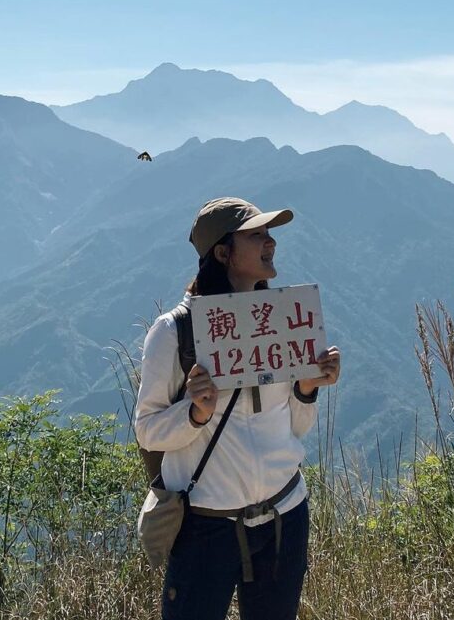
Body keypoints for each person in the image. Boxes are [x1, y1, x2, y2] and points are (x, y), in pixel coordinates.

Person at [134, 196, 341, 620]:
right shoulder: (174, 332)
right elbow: (148, 431)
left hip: (285, 514)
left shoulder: (280, 322)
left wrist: (305, 389)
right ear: (223, 252)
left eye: (269, 234)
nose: (271, 243)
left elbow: (295, 429)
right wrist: (194, 414)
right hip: (207, 527)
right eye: (257, 235)